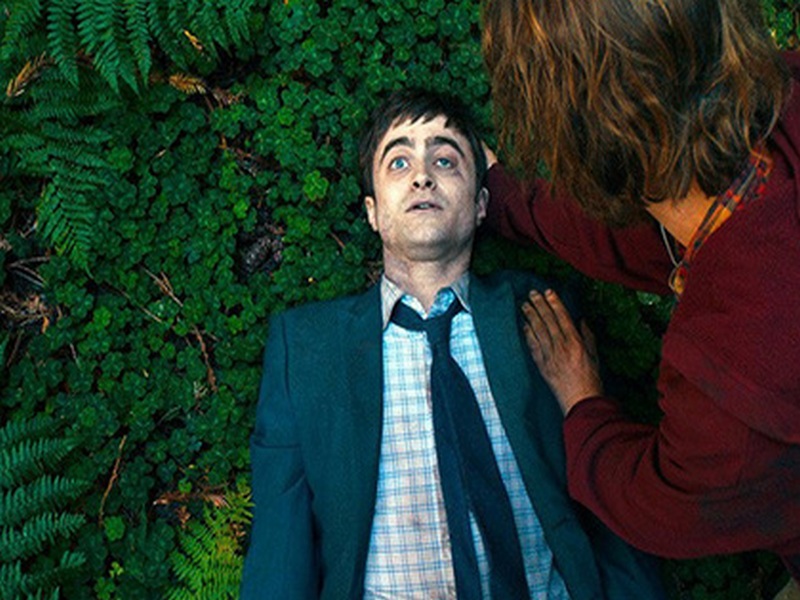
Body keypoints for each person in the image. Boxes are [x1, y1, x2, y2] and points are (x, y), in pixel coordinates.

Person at [240, 89, 665, 599]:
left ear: (481, 204)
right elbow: (279, 554)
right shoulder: (306, 350)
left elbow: (611, 509)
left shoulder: (541, 313)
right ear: (372, 211)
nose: (422, 176)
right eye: (398, 162)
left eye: (445, 160)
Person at [481, 0, 800, 590]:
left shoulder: (734, 395)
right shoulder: (782, 92)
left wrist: (584, 406)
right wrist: (505, 200)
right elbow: (662, 216)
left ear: (582, 142)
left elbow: (664, 507)